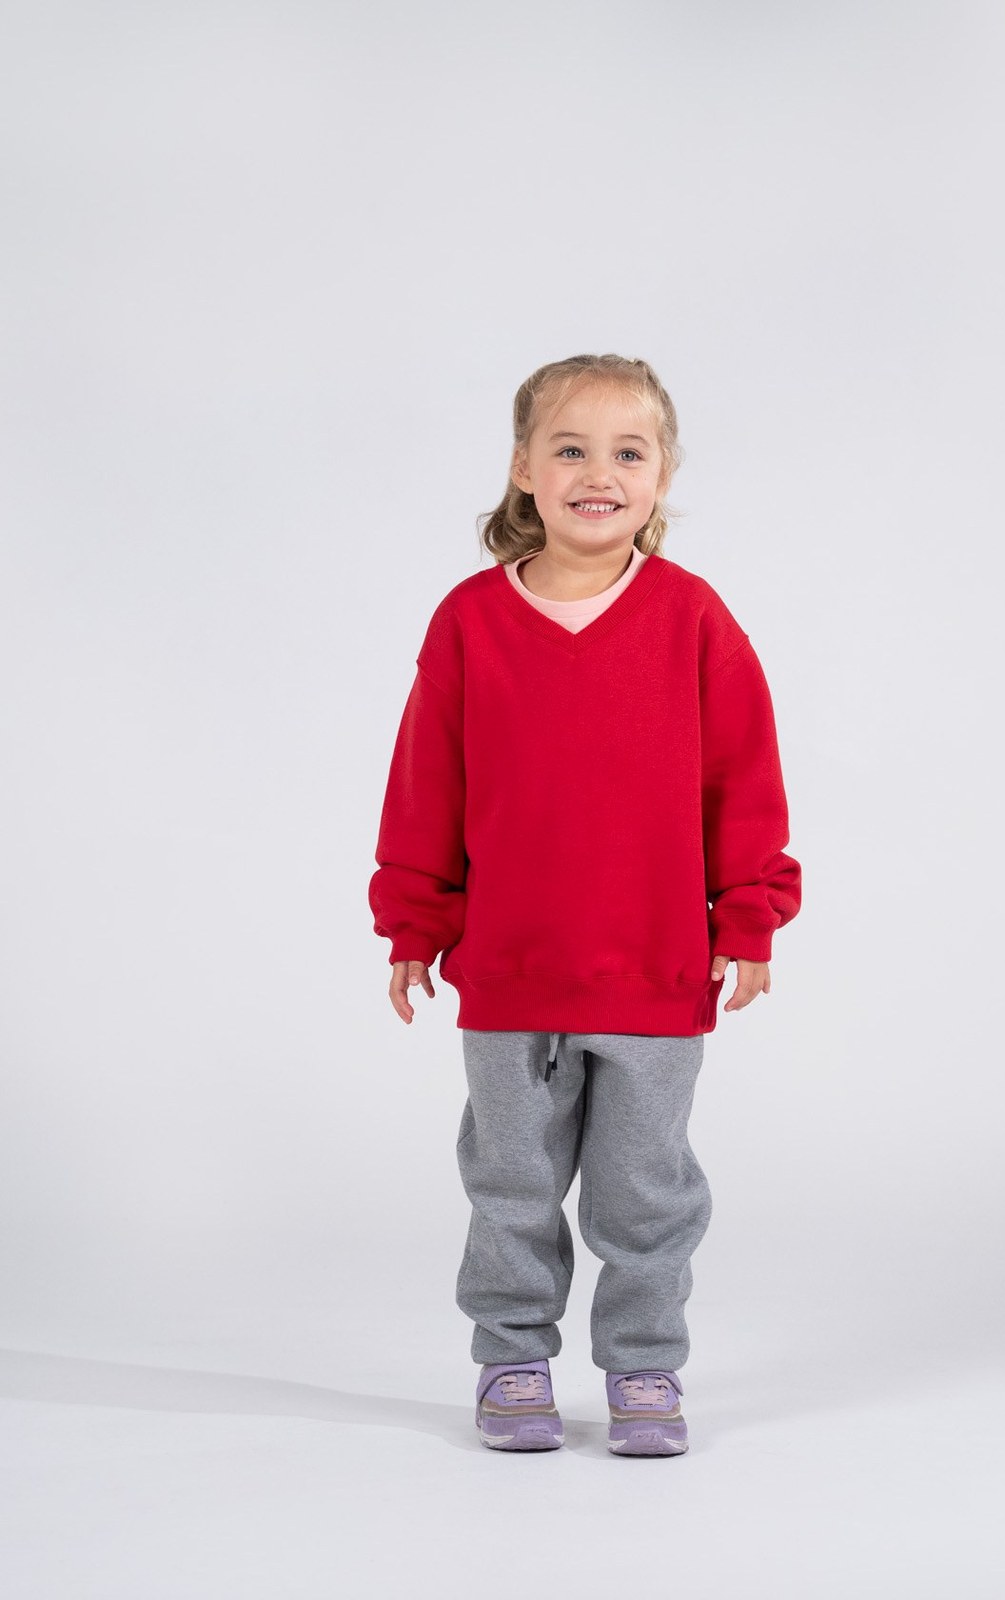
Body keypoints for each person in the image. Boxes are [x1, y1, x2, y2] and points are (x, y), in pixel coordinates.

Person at [368, 353, 802, 1457]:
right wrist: (414, 922)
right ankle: (511, 1357)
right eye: (569, 449)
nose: (597, 474)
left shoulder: (692, 618)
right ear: (523, 468)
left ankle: (643, 1366)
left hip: (656, 971)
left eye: (627, 452)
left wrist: (748, 915)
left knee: (645, 1191)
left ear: (662, 477)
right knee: (510, 1185)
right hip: (509, 973)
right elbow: (425, 784)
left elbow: (742, 779)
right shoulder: (469, 622)